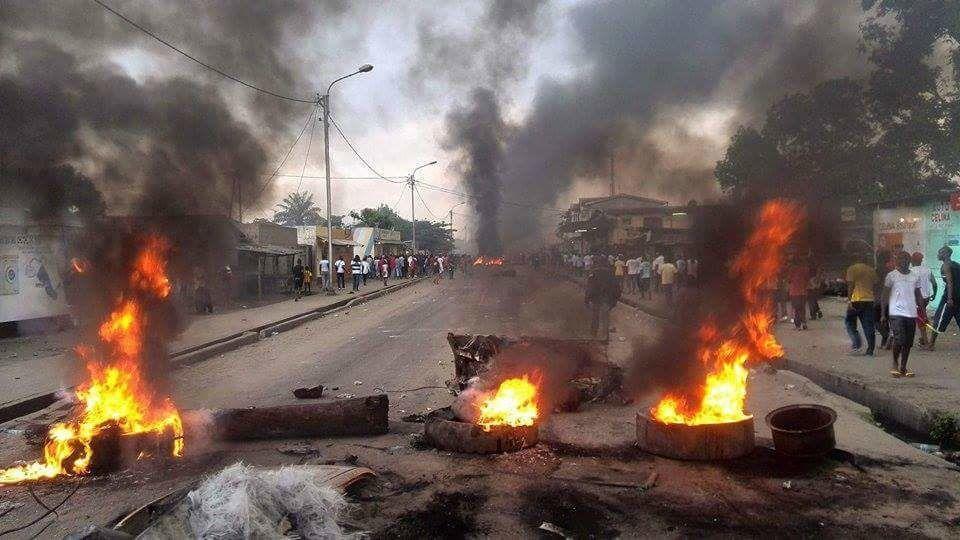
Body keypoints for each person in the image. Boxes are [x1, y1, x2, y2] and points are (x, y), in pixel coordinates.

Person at [881, 251, 925, 377]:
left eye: (906, 259)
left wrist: (923, 313)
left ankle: (903, 367)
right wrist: (883, 314)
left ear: (910, 261)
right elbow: (884, 295)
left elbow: (918, 295)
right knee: (899, 339)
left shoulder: (915, 276)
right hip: (896, 313)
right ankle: (895, 363)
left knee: (908, 343)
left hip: (911, 313)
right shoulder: (891, 276)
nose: (904, 261)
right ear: (897, 261)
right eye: (901, 259)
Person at [845, 253, 878, 355]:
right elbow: (876, 284)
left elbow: (851, 285)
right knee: (868, 326)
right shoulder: (871, 270)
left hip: (856, 300)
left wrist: (849, 300)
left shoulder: (852, 269)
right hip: (869, 300)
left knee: (850, 323)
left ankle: (856, 344)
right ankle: (870, 349)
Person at [927, 246, 960, 351]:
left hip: (950, 297)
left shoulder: (946, 266)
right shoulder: (956, 265)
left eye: (940, 252)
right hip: (958, 297)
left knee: (938, 319)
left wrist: (949, 298)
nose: (938, 254)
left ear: (946, 254)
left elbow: (950, 282)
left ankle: (931, 344)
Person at [585, 258, 620, 339]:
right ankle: (605, 336)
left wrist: (587, 299)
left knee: (595, 316)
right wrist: (614, 301)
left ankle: (593, 334)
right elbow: (617, 288)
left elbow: (589, 287)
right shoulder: (610, 273)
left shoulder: (593, 273)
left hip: (596, 298)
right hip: (607, 298)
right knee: (605, 318)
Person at [911, 251, 938, 347]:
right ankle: (923, 340)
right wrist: (934, 294)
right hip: (926, 298)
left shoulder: (911, 271)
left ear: (912, 260)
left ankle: (926, 343)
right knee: (922, 316)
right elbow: (934, 284)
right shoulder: (927, 269)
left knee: (921, 320)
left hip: (917, 299)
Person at [787, 256, 809, 330]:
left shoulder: (792, 269)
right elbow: (807, 279)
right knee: (802, 308)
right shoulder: (805, 269)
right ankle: (804, 323)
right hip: (803, 292)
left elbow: (789, 280)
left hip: (794, 292)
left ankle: (798, 325)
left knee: (796, 309)